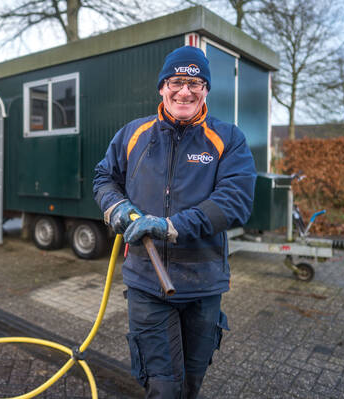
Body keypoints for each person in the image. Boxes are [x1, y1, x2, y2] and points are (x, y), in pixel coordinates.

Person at [93, 46, 256, 398]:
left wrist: (171, 226)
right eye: (176, 81)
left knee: (191, 383)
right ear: (162, 87)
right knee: (164, 387)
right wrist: (118, 208)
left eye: (195, 82)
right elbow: (104, 179)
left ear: (206, 90)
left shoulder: (228, 139)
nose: (185, 91)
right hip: (147, 284)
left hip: (204, 286)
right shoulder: (132, 135)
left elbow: (235, 202)